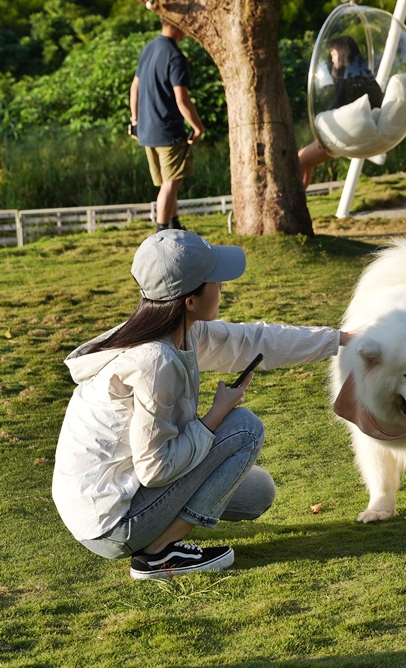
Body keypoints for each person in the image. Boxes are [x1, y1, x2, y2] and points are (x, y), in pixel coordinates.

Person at [51, 230, 350, 580]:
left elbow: (254, 341)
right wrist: (216, 415)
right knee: (245, 429)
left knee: (258, 494)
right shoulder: (154, 361)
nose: (222, 287)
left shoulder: (179, 330)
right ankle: (161, 554)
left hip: (113, 495)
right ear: (190, 300)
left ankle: (162, 533)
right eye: (215, 281)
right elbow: (155, 469)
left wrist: (340, 340)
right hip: (112, 522)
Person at [129, 21, 204, 233]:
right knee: (171, 183)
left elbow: (135, 87)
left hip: (147, 131)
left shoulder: (149, 48)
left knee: (167, 183)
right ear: (180, 25)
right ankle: (161, 231)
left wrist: (135, 121)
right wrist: (197, 127)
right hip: (168, 131)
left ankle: (174, 224)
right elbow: (182, 99)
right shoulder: (175, 56)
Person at [298, 35, 385, 188]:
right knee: (306, 163)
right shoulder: (364, 76)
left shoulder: (349, 80)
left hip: (342, 136)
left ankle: (295, 201)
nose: (332, 59)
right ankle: (300, 200)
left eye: (334, 54)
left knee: (299, 160)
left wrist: (323, 138)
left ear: (343, 53)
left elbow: (339, 110)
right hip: (353, 136)